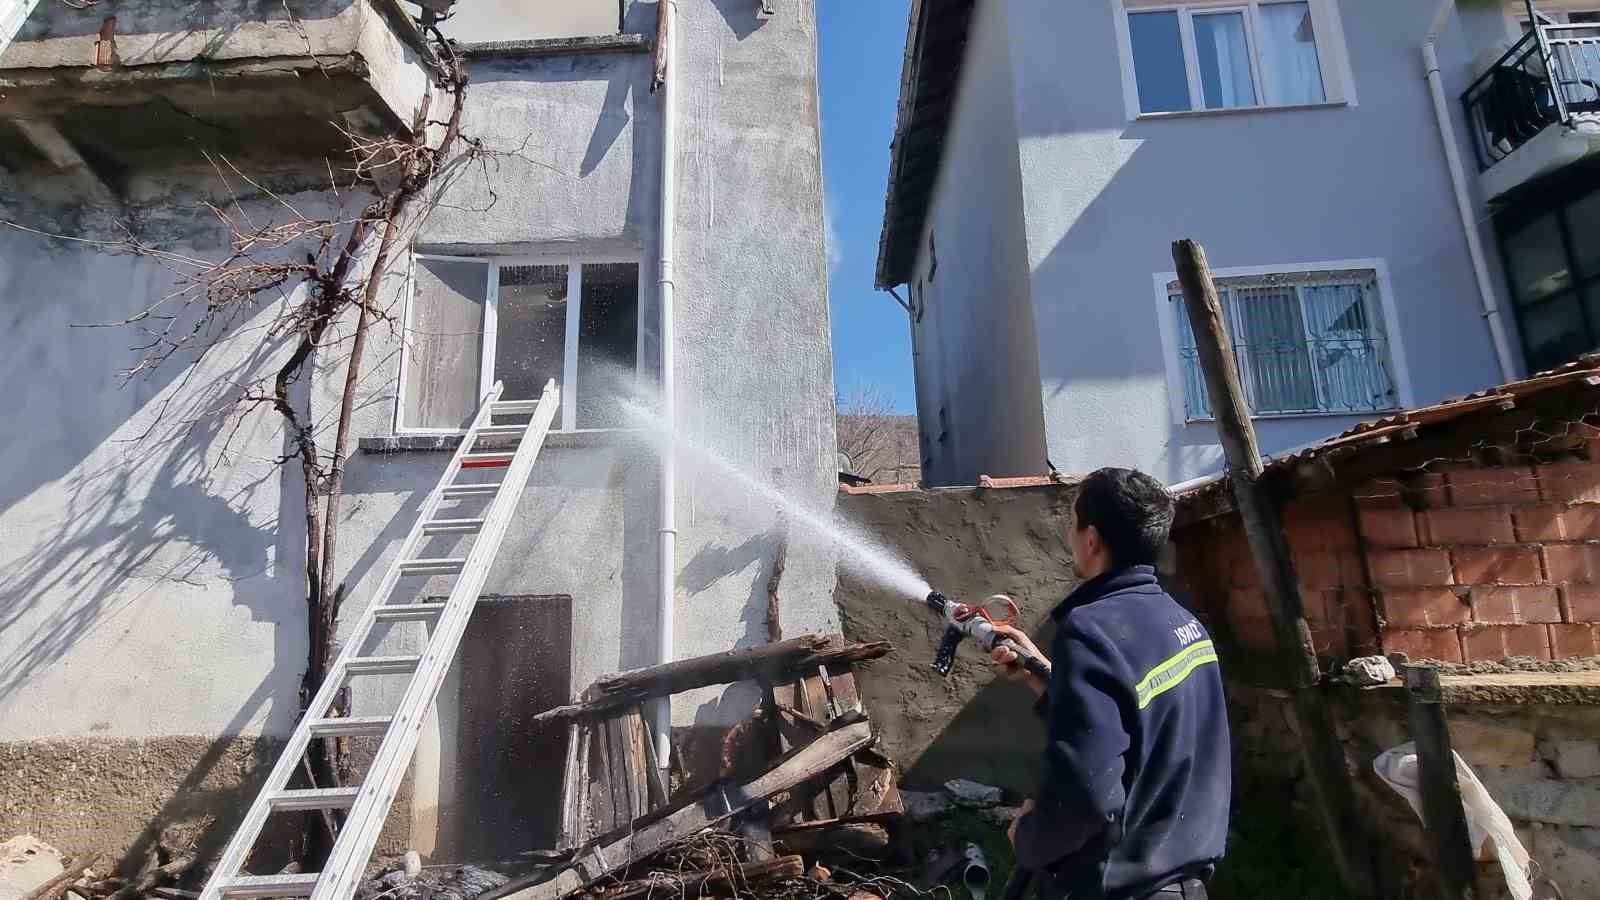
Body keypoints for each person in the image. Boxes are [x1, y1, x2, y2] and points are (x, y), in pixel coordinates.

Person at [989, 467, 1230, 900]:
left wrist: (1030, 836)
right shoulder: (1184, 623)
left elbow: (1086, 797)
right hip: (1184, 883)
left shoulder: (1090, 631)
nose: (1069, 534)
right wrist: (1042, 672)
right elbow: (1140, 723)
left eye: (1072, 522)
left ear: (1092, 539)